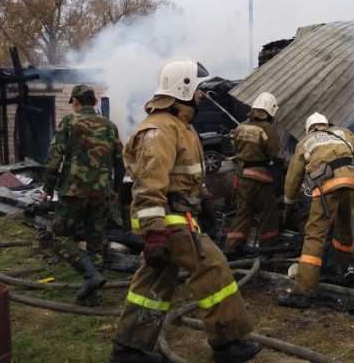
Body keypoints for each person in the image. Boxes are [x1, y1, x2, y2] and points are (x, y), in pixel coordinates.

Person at [109, 57, 261, 363]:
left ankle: (129, 350)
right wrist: (154, 234)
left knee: (153, 284)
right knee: (213, 269)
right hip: (170, 221)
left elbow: (186, 175)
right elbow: (149, 184)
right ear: (184, 88)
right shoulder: (160, 130)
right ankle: (228, 344)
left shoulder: (179, 128)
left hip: (176, 217)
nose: (201, 95)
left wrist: (204, 196)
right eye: (198, 89)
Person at [277, 112, 354, 308]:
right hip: (351, 181)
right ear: (326, 124)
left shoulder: (306, 142)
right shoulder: (344, 133)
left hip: (326, 186)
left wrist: (289, 203)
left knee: (315, 235)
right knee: (345, 228)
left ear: (310, 128)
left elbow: (293, 179)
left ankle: (303, 291)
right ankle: (342, 269)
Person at [41, 84, 125, 306]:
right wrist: (115, 188)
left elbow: (54, 159)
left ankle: (90, 277)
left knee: (59, 236)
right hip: (101, 193)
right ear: (95, 102)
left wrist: (47, 188)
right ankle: (92, 294)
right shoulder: (110, 126)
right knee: (95, 242)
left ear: (75, 103)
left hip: (73, 192)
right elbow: (120, 162)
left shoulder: (70, 122)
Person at [225, 92, 287, 255]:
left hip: (242, 176)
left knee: (243, 212)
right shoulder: (267, 129)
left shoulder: (241, 126)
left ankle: (232, 248)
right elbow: (277, 155)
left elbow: (235, 148)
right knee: (269, 211)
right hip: (260, 176)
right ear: (269, 111)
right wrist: (287, 171)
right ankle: (268, 247)